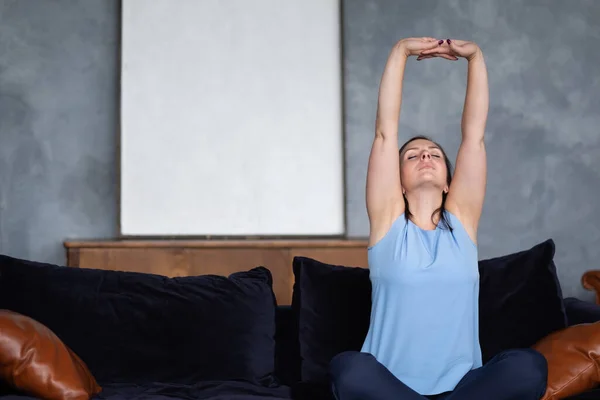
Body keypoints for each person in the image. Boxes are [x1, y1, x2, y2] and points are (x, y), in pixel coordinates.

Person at [328, 38, 548, 400]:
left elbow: (474, 136)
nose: (425, 157)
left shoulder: (462, 223)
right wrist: (399, 50)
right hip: (390, 386)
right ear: (396, 180)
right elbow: (385, 132)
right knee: (349, 369)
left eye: (433, 154)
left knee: (528, 367)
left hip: (462, 388)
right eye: (412, 156)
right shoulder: (388, 224)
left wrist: (476, 57)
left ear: (449, 181)